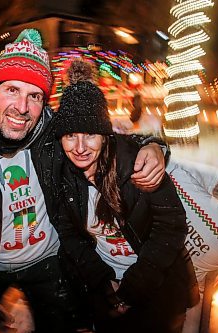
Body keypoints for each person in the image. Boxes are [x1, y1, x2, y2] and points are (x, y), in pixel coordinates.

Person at [0, 29, 168, 333]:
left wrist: (154, 147)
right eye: (12, 90)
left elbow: (111, 139)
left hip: (50, 260)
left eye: (34, 96)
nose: (21, 108)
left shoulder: (57, 138)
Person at [52, 62, 199, 333]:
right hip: (103, 285)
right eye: (71, 135)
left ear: (105, 134)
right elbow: (68, 233)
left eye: (90, 134)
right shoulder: (62, 175)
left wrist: (134, 287)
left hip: (155, 281)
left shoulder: (138, 164)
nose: (80, 147)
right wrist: (105, 283)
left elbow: (172, 224)